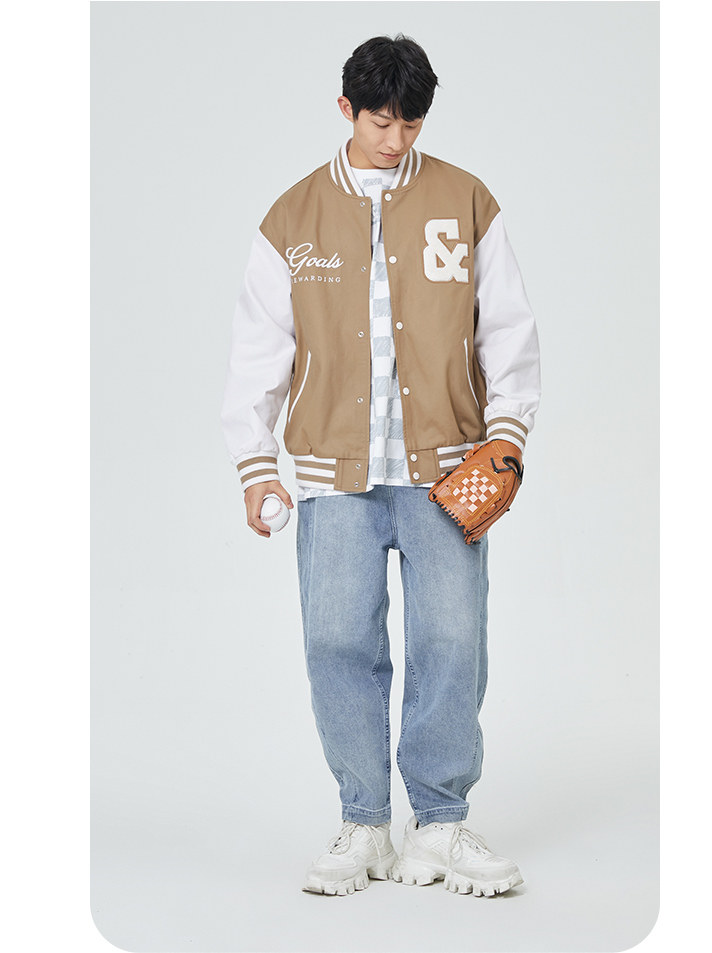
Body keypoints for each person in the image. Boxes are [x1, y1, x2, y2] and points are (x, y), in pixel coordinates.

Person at [220, 33, 541, 898]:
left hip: (447, 470)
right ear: (346, 110)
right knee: (337, 640)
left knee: (452, 642)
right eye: (379, 121)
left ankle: (439, 823)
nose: (395, 139)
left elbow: (507, 327)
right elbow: (259, 348)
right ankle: (363, 822)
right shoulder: (292, 217)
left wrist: (506, 434)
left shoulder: (466, 199)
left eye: (410, 123)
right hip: (333, 472)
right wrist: (256, 462)